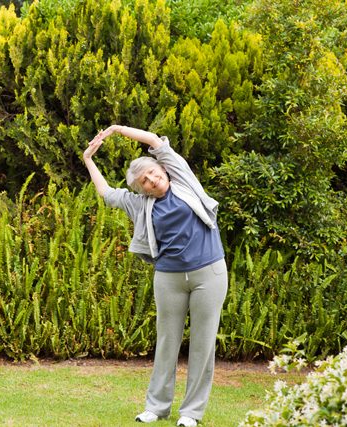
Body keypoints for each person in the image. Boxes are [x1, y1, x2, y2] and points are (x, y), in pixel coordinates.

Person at [82, 125, 228, 427]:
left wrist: (116, 130)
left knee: (203, 345)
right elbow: (107, 193)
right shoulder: (140, 205)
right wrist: (88, 159)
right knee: (166, 343)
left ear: (161, 168)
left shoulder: (183, 179)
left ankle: (191, 413)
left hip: (209, 273)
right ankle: (157, 408)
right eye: (144, 181)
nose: (151, 180)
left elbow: (153, 140)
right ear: (143, 189)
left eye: (152, 172)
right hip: (168, 279)